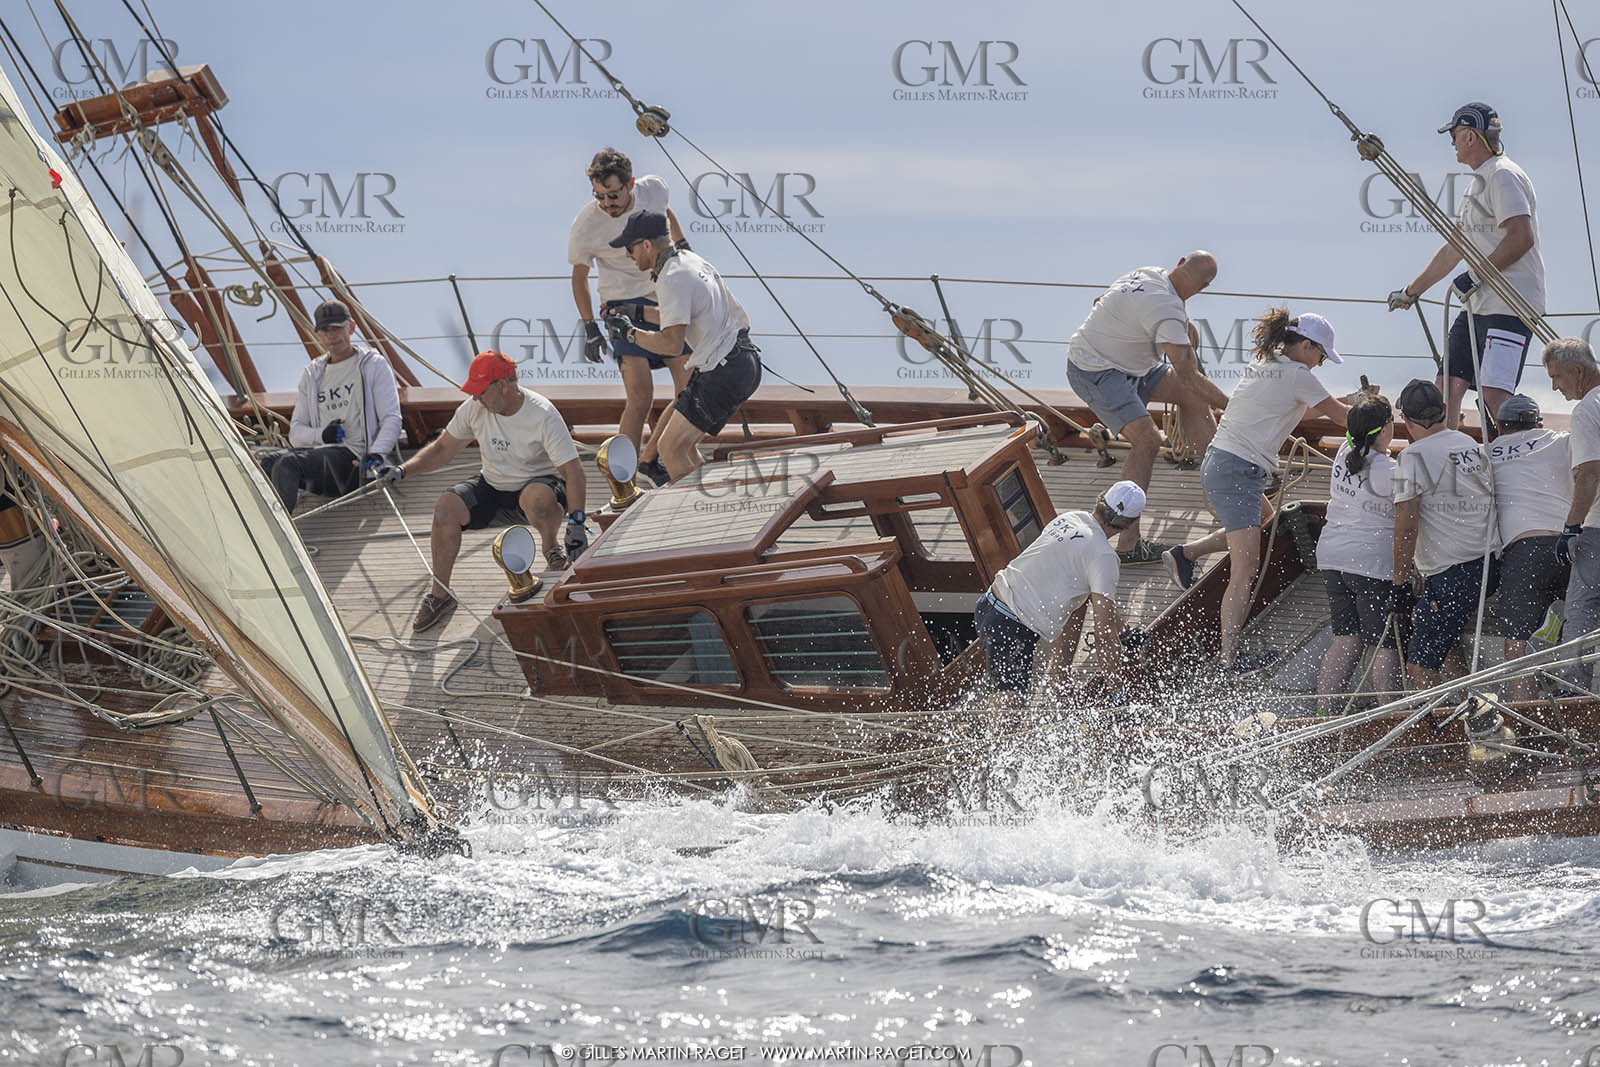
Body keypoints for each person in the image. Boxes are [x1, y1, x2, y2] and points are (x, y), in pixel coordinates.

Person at [1164, 309, 1353, 676]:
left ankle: (1186, 553)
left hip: (1226, 464)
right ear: (1307, 346)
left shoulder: (1268, 362)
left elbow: (1317, 400)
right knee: (1245, 569)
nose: (1320, 364)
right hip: (1237, 471)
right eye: (1320, 356)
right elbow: (1344, 418)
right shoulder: (1298, 375)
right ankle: (1229, 661)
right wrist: (1378, 409)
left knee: (1268, 523)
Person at [379, 350, 588, 633]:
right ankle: (440, 596)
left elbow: (573, 471)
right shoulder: (474, 408)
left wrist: (577, 523)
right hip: (492, 486)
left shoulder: (543, 414)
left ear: (503, 385)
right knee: (445, 508)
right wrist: (404, 470)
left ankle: (552, 550)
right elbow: (442, 449)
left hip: (539, 489)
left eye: (480, 391)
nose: (476, 397)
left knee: (536, 498)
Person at [1388, 102, 1546, 434]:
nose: (1452, 143)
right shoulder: (1478, 183)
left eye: (1456, 134)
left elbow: (1521, 238)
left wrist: (1474, 277)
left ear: (1471, 136)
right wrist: (1411, 291)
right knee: (1445, 388)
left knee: (1494, 394)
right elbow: (1456, 246)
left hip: (1511, 305)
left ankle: (1517, 464)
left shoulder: (1503, 176)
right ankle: (1447, 465)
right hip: (1478, 304)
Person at [1066, 252, 1230, 564]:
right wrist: (1233, 409)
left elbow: (1100, 300)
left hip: (1135, 367)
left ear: (1180, 262)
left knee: (1191, 396)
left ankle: (1226, 481)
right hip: (1094, 370)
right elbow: (1189, 373)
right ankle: (1128, 543)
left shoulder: (1147, 272)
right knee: (1148, 439)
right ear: (1205, 287)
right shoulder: (1167, 310)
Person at [604, 210, 761, 482]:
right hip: (741, 361)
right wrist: (636, 311)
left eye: (630, 248)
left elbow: (671, 344)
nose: (628, 255)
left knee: (669, 449)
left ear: (647, 245)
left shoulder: (671, 277)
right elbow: (678, 316)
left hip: (723, 369)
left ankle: (701, 518)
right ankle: (711, 508)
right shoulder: (688, 259)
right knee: (685, 447)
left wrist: (629, 333)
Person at [567, 147, 691, 487]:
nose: (607, 203)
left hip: (664, 296)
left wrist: (683, 247)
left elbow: (665, 211)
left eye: (613, 195)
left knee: (689, 387)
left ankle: (651, 459)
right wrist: (590, 327)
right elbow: (579, 278)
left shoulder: (653, 188)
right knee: (640, 395)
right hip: (620, 305)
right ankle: (622, 481)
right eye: (599, 196)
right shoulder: (587, 223)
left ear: (631, 184)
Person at [973, 482, 1143, 706]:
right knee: (1009, 709)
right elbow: (1104, 635)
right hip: (1011, 626)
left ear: (1101, 500)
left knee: (1080, 596)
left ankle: (1060, 682)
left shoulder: (1071, 517)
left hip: (989, 603)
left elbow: (1096, 601)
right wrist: (1117, 693)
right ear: (1130, 525)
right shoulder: (1104, 557)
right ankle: (991, 738)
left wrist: (1123, 632)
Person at [1390, 379, 1498, 691]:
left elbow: (1405, 528)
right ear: (1446, 411)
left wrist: (1398, 587)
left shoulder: (1410, 458)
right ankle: (1473, 709)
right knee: (1446, 647)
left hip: (1452, 577)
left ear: (1406, 421)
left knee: (1419, 667)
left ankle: (1447, 738)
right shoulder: (1472, 446)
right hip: (1489, 567)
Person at [256, 300, 401, 512]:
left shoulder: (373, 365)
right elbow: (296, 434)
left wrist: (378, 453)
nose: (331, 335)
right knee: (267, 462)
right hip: (321, 461)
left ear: (351, 327)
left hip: (357, 462)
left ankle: (280, 537)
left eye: (337, 328)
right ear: (319, 334)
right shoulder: (312, 374)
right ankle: (262, 531)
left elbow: (392, 418)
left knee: (288, 463)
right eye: (325, 330)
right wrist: (324, 435)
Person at [1316, 394, 1402, 713]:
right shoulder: (1389, 471)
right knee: (1383, 642)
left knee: (1346, 639)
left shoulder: (1343, 452)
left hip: (1331, 557)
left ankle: (1324, 713)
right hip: (1369, 564)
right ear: (1384, 430)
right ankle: (1389, 714)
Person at [1485, 394, 1572, 700]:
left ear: (1498, 427)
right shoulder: (1561, 440)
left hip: (1524, 549)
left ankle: (1526, 725)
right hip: (1569, 546)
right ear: (1539, 424)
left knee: (1517, 646)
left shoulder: (1489, 451)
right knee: (1580, 635)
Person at [1543, 338, 1600, 691]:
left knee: (1582, 608)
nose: (1554, 386)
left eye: (1558, 377)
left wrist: (1571, 527)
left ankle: (1575, 699)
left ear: (1578, 371)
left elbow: (1591, 472)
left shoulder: (1587, 409)